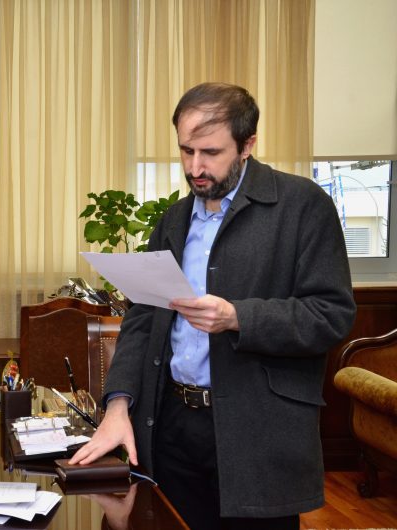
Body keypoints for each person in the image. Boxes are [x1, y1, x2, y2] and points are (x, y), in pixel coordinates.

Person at [70, 82, 356, 530]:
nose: (195, 167)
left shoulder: (303, 206)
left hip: (258, 436)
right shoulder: (174, 219)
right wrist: (118, 403)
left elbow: (331, 315)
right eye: (186, 151)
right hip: (172, 428)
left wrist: (238, 317)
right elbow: (142, 317)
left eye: (211, 152)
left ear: (248, 145)